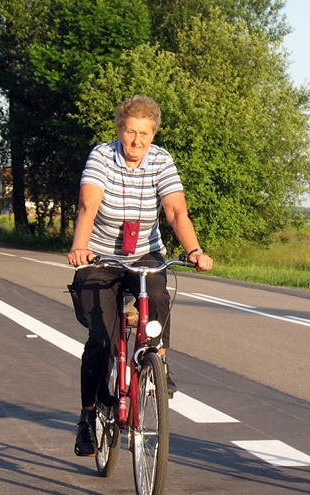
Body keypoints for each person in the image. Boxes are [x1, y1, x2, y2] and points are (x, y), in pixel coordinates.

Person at [67, 95, 213, 457]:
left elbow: (176, 210)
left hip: (144, 252)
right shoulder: (102, 156)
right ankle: (89, 416)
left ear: (154, 134)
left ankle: (157, 360)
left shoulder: (162, 160)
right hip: (99, 254)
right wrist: (80, 246)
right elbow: (89, 204)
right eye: (131, 132)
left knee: (159, 294)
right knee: (102, 338)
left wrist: (194, 250)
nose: (137, 142)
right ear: (119, 130)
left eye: (145, 134)